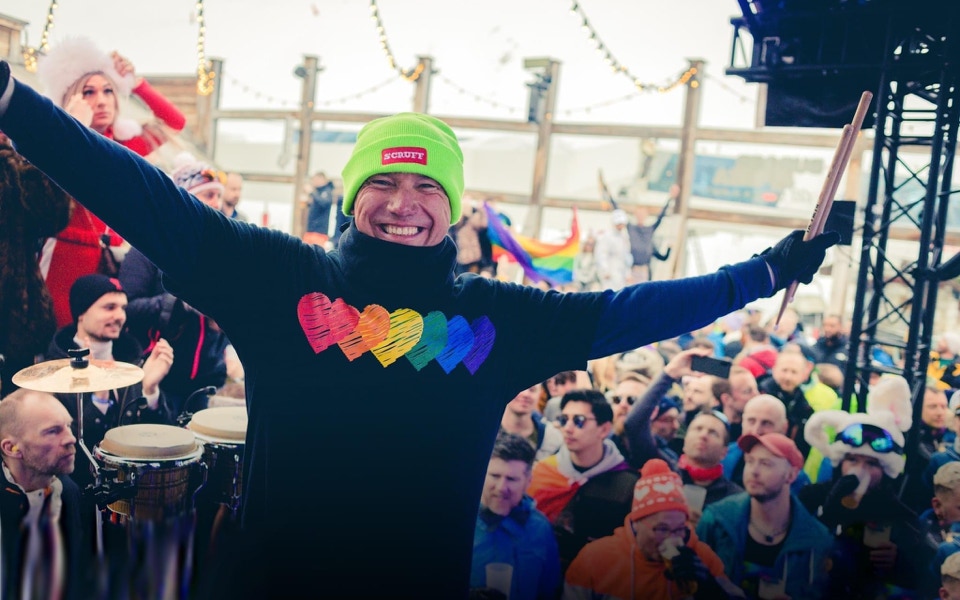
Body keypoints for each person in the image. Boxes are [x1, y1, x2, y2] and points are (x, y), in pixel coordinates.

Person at [0, 65, 839, 598]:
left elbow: (631, 310)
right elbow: (138, 191)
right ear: (353, 195)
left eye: (428, 187)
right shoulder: (281, 279)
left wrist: (762, 272)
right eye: (384, 182)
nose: (404, 204)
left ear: (453, 205)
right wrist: (12, 101)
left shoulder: (499, 319)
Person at [35, 36, 185, 328]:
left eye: (108, 90)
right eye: (88, 92)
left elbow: (174, 122)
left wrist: (135, 83)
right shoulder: (54, 140)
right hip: (65, 254)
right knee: (58, 337)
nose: (102, 100)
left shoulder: (125, 145)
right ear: (71, 99)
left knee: (101, 345)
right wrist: (71, 126)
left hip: (113, 260)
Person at [801, 374, 928, 598]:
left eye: (871, 463)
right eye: (852, 460)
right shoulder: (812, 496)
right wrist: (829, 512)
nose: (860, 470)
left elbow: (919, 578)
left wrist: (898, 560)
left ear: (886, 469)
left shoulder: (899, 514)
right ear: (841, 461)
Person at [44, 274, 176, 487]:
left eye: (123, 308)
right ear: (81, 313)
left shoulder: (132, 359)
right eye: (109, 307)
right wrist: (99, 395)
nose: (120, 316)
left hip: (132, 487)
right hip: (81, 489)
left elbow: (158, 440)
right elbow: (65, 450)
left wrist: (149, 390)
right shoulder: (53, 368)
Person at [563, 459, 733, 600]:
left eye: (680, 529)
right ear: (636, 524)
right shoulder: (595, 559)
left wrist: (711, 590)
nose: (673, 539)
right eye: (662, 529)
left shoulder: (701, 559)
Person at [697, 432, 834, 599]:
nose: (753, 471)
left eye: (765, 464)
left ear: (791, 475)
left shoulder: (817, 540)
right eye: (749, 461)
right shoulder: (717, 519)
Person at [526, 390, 638, 573]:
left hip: (602, 577)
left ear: (604, 429)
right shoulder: (543, 472)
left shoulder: (628, 484)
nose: (568, 428)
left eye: (579, 421)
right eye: (564, 420)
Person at [0, 388, 86, 600]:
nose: (71, 439)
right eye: (53, 431)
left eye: (68, 426)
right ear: (11, 448)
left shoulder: (69, 492)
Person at [0, 142, 71, 397]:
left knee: (15, 404)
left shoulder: (9, 163)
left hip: (13, 315)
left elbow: (54, 216)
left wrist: (33, 154)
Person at [471, 433, 560, 600]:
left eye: (511, 479)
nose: (501, 487)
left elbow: (550, 590)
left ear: (528, 481)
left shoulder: (540, 528)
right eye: (495, 476)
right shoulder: (460, 524)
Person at [304, 171, 335, 245]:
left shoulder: (326, 191)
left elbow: (323, 203)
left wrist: (312, 192)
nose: (313, 182)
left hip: (319, 232)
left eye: (315, 180)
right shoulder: (318, 192)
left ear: (322, 179)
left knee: (315, 251)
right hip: (311, 230)